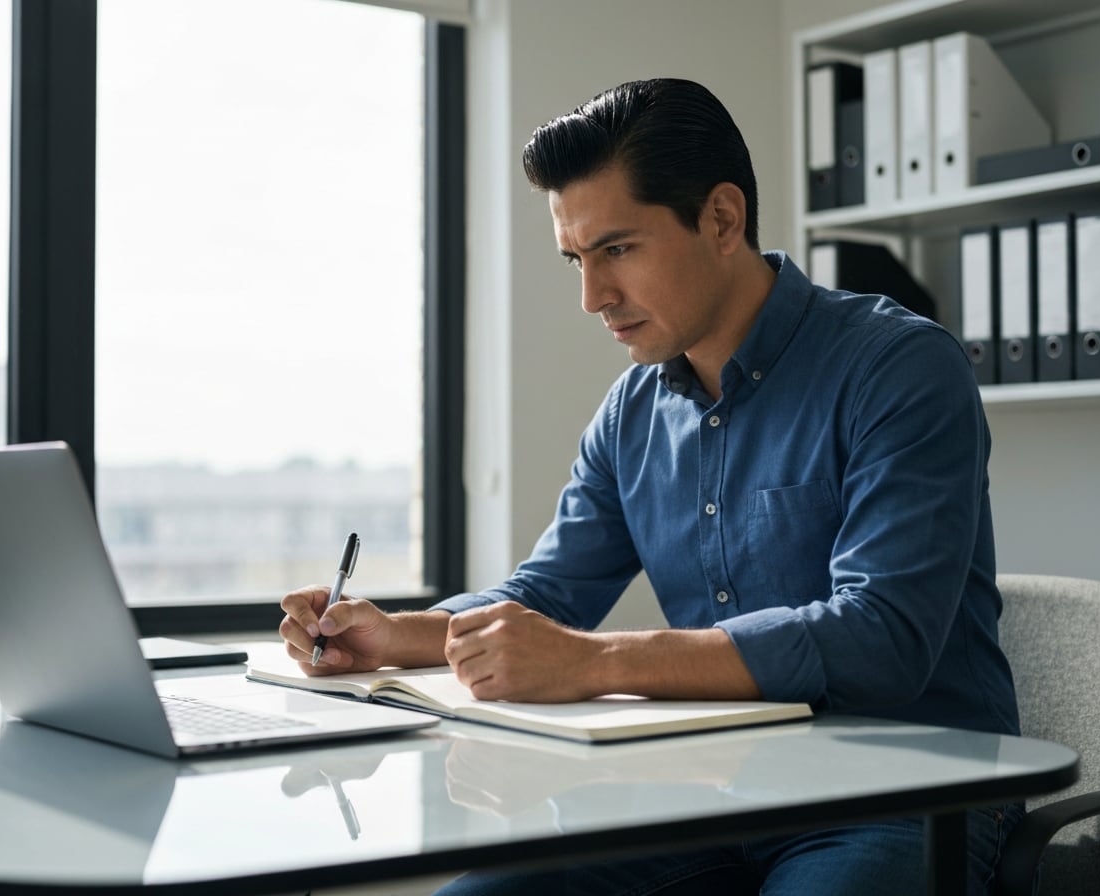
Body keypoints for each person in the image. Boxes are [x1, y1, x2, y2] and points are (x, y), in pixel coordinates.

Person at [279, 78, 1021, 895]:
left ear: (722, 219)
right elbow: (546, 595)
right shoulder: (632, 412)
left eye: (618, 250)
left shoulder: (900, 367)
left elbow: (881, 638)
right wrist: (395, 636)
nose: (592, 297)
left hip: (905, 795)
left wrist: (592, 663)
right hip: (715, 790)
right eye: (577, 259)